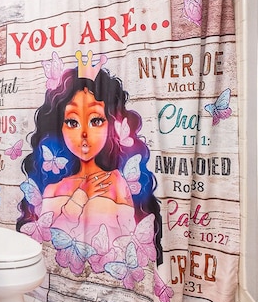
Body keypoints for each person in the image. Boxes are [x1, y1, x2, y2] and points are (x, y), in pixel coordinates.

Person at [17, 51, 163, 278]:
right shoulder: (52, 189)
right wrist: (79, 199)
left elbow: (126, 245)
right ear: (60, 127)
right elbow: (47, 244)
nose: (84, 133)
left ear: (111, 124)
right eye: (72, 122)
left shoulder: (116, 182)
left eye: (95, 120)